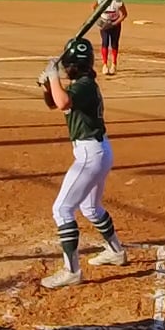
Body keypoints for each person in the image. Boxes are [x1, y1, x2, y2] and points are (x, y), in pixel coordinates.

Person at [36, 38, 128, 289]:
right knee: (91, 208)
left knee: (62, 209)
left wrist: (53, 76)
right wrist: (47, 86)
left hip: (90, 154)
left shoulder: (85, 86)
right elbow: (54, 102)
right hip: (97, 151)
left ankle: (71, 271)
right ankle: (116, 251)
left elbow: (63, 102)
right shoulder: (82, 84)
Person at [95, 0, 128, 74]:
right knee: (105, 42)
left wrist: (114, 24)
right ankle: (105, 65)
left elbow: (124, 14)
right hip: (104, 23)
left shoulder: (118, 2)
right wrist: (98, 19)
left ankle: (114, 64)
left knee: (114, 43)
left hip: (115, 24)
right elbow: (95, 8)